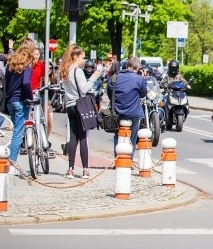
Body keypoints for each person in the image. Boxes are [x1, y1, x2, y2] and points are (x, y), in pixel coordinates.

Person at [60, 45, 104, 178]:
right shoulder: (77, 71)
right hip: (79, 105)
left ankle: (70, 169)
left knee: (73, 136)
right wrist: (94, 76)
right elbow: (84, 89)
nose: (83, 61)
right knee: (83, 136)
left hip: (70, 105)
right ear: (75, 57)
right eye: (81, 58)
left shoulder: (65, 70)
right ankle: (85, 169)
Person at [4, 39, 36, 170]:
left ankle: (9, 159)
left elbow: (6, 81)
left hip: (10, 101)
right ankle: (12, 162)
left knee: (16, 131)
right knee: (18, 133)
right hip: (20, 101)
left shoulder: (11, 63)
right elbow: (26, 83)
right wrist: (30, 96)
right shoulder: (27, 65)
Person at [114, 56, 147, 151]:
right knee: (132, 137)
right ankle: (129, 158)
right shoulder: (139, 79)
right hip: (133, 113)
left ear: (127, 66)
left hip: (117, 112)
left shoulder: (115, 76)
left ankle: (117, 157)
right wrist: (143, 78)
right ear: (137, 68)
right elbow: (143, 94)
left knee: (117, 135)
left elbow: (109, 92)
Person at [30, 48, 54, 140]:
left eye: (38, 54)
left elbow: (41, 79)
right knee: (31, 118)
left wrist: (39, 89)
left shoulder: (41, 65)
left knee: (46, 118)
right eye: (35, 54)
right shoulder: (28, 65)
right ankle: (31, 137)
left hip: (39, 93)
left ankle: (44, 139)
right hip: (29, 92)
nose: (36, 56)